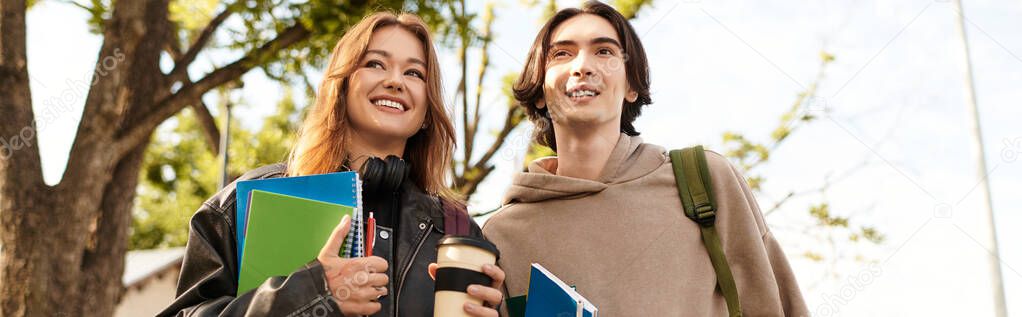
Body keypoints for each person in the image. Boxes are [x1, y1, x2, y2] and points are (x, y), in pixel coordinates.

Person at [159, 12, 505, 317]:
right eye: (375, 64)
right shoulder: (246, 203)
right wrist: (311, 294)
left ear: (428, 111)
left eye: (414, 73)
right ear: (339, 89)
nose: (395, 81)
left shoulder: (458, 231)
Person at [481, 1, 810, 316]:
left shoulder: (705, 180)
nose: (581, 66)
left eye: (604, 51)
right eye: (562, 54)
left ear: (631, 86)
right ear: (539, 91)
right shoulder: (503, 234)